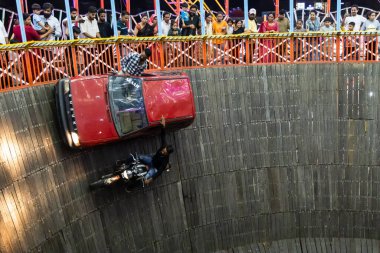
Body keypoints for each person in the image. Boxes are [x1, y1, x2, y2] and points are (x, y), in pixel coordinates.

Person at [139, 116, 173, 185]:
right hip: (152, 159)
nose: (163, 151)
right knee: (139, 157)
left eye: (165, 152)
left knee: (144, 179)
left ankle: (131, 187)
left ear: (167, 154)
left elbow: (159, 173)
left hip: (154, 168)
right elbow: (163, 136)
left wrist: (150, 180)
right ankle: (124, 162)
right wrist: (163, 126)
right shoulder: (164, 146)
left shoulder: (165, 162)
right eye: (164, 149)